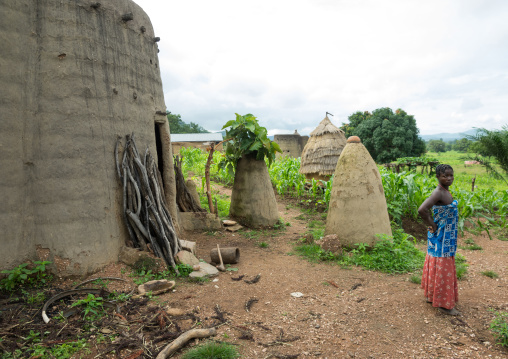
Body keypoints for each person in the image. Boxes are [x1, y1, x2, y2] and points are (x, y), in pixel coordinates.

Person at [418, 164, 459, 316]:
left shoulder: (445, 191)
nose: (449, 178)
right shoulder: (438, 192)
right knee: (442, 266)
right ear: (437, 177)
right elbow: (422, 209)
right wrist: (432, 224)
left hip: (446, 236)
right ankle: (443, 304)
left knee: (438, 264)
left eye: (451, 175)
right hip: (441, 237)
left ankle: (434, 296)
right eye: (445, 176)